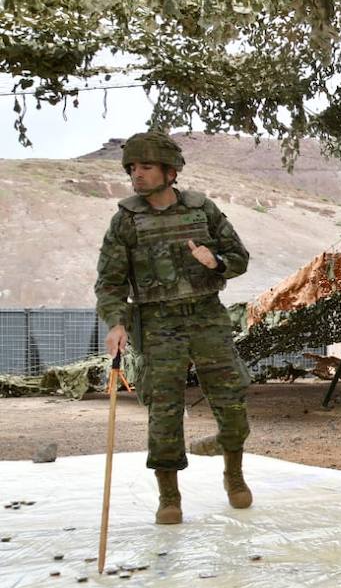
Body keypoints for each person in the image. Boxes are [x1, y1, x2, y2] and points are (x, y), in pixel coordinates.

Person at [94, 130, 253, 525]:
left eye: (145, 167)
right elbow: (110, 282)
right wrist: (116, 321)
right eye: (132, 168)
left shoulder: (203, 210)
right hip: (158, 322)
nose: (137, 175)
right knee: (164, 410)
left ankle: (233, 473)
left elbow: (239, 257)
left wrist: (215, 261)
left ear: (170, 170)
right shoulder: (125, 221)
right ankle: (169, 495)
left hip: (206, 316)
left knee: (232, 398)